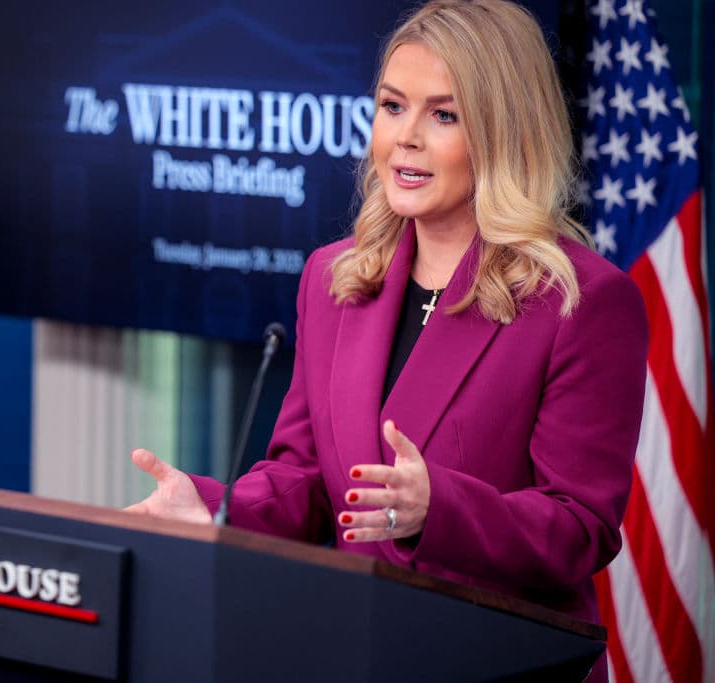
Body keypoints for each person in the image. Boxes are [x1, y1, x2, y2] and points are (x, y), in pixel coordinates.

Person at [126, 1, 647, 678]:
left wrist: (440, 510)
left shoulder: (582, 300)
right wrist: (216, 509)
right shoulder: (334, 278)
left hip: (500, 660)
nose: (405, 137)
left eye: (444, 115)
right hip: (353, 650)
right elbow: (305, 476)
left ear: (504, 133)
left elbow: (580, 529)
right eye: (392, 106)